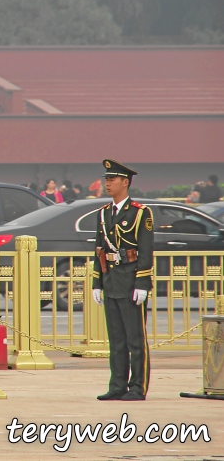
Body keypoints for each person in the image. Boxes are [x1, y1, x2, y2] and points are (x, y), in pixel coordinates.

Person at [92, 159, 153, 401]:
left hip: (130, 281)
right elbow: (99, 250)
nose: (107, 183)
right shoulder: (103, 213)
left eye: (112, 179)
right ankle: (117, 385)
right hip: (111, 281)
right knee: (116, 339)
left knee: (135, 339)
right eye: (106, 179)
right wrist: (97, 282)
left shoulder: (140, 213)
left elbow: (146, 251)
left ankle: (137, 386)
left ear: (125, 182)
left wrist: (142, 283)